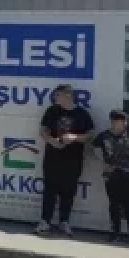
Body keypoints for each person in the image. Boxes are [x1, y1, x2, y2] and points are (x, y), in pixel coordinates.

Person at [36, 84, 95, 236]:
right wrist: (52, 140)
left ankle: (64, 221)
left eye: (58, 95)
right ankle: (45, 221)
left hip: (73, 160)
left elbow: (91, 134)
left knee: (68, 192)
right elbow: (43, 131)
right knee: (49, 190)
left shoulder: (82, 114)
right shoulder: (52, 111)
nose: (55, 98)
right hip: (52, 158)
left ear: (68, 95)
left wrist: (74, 137)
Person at [93, 110, 129, 244]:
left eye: (125, 121)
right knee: (114, 204)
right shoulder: (103, 136)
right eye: (121, 121)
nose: (124, 124)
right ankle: (115, 232)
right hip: (111, 176)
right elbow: (94, 149)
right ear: (114, 122)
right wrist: (104, 164)